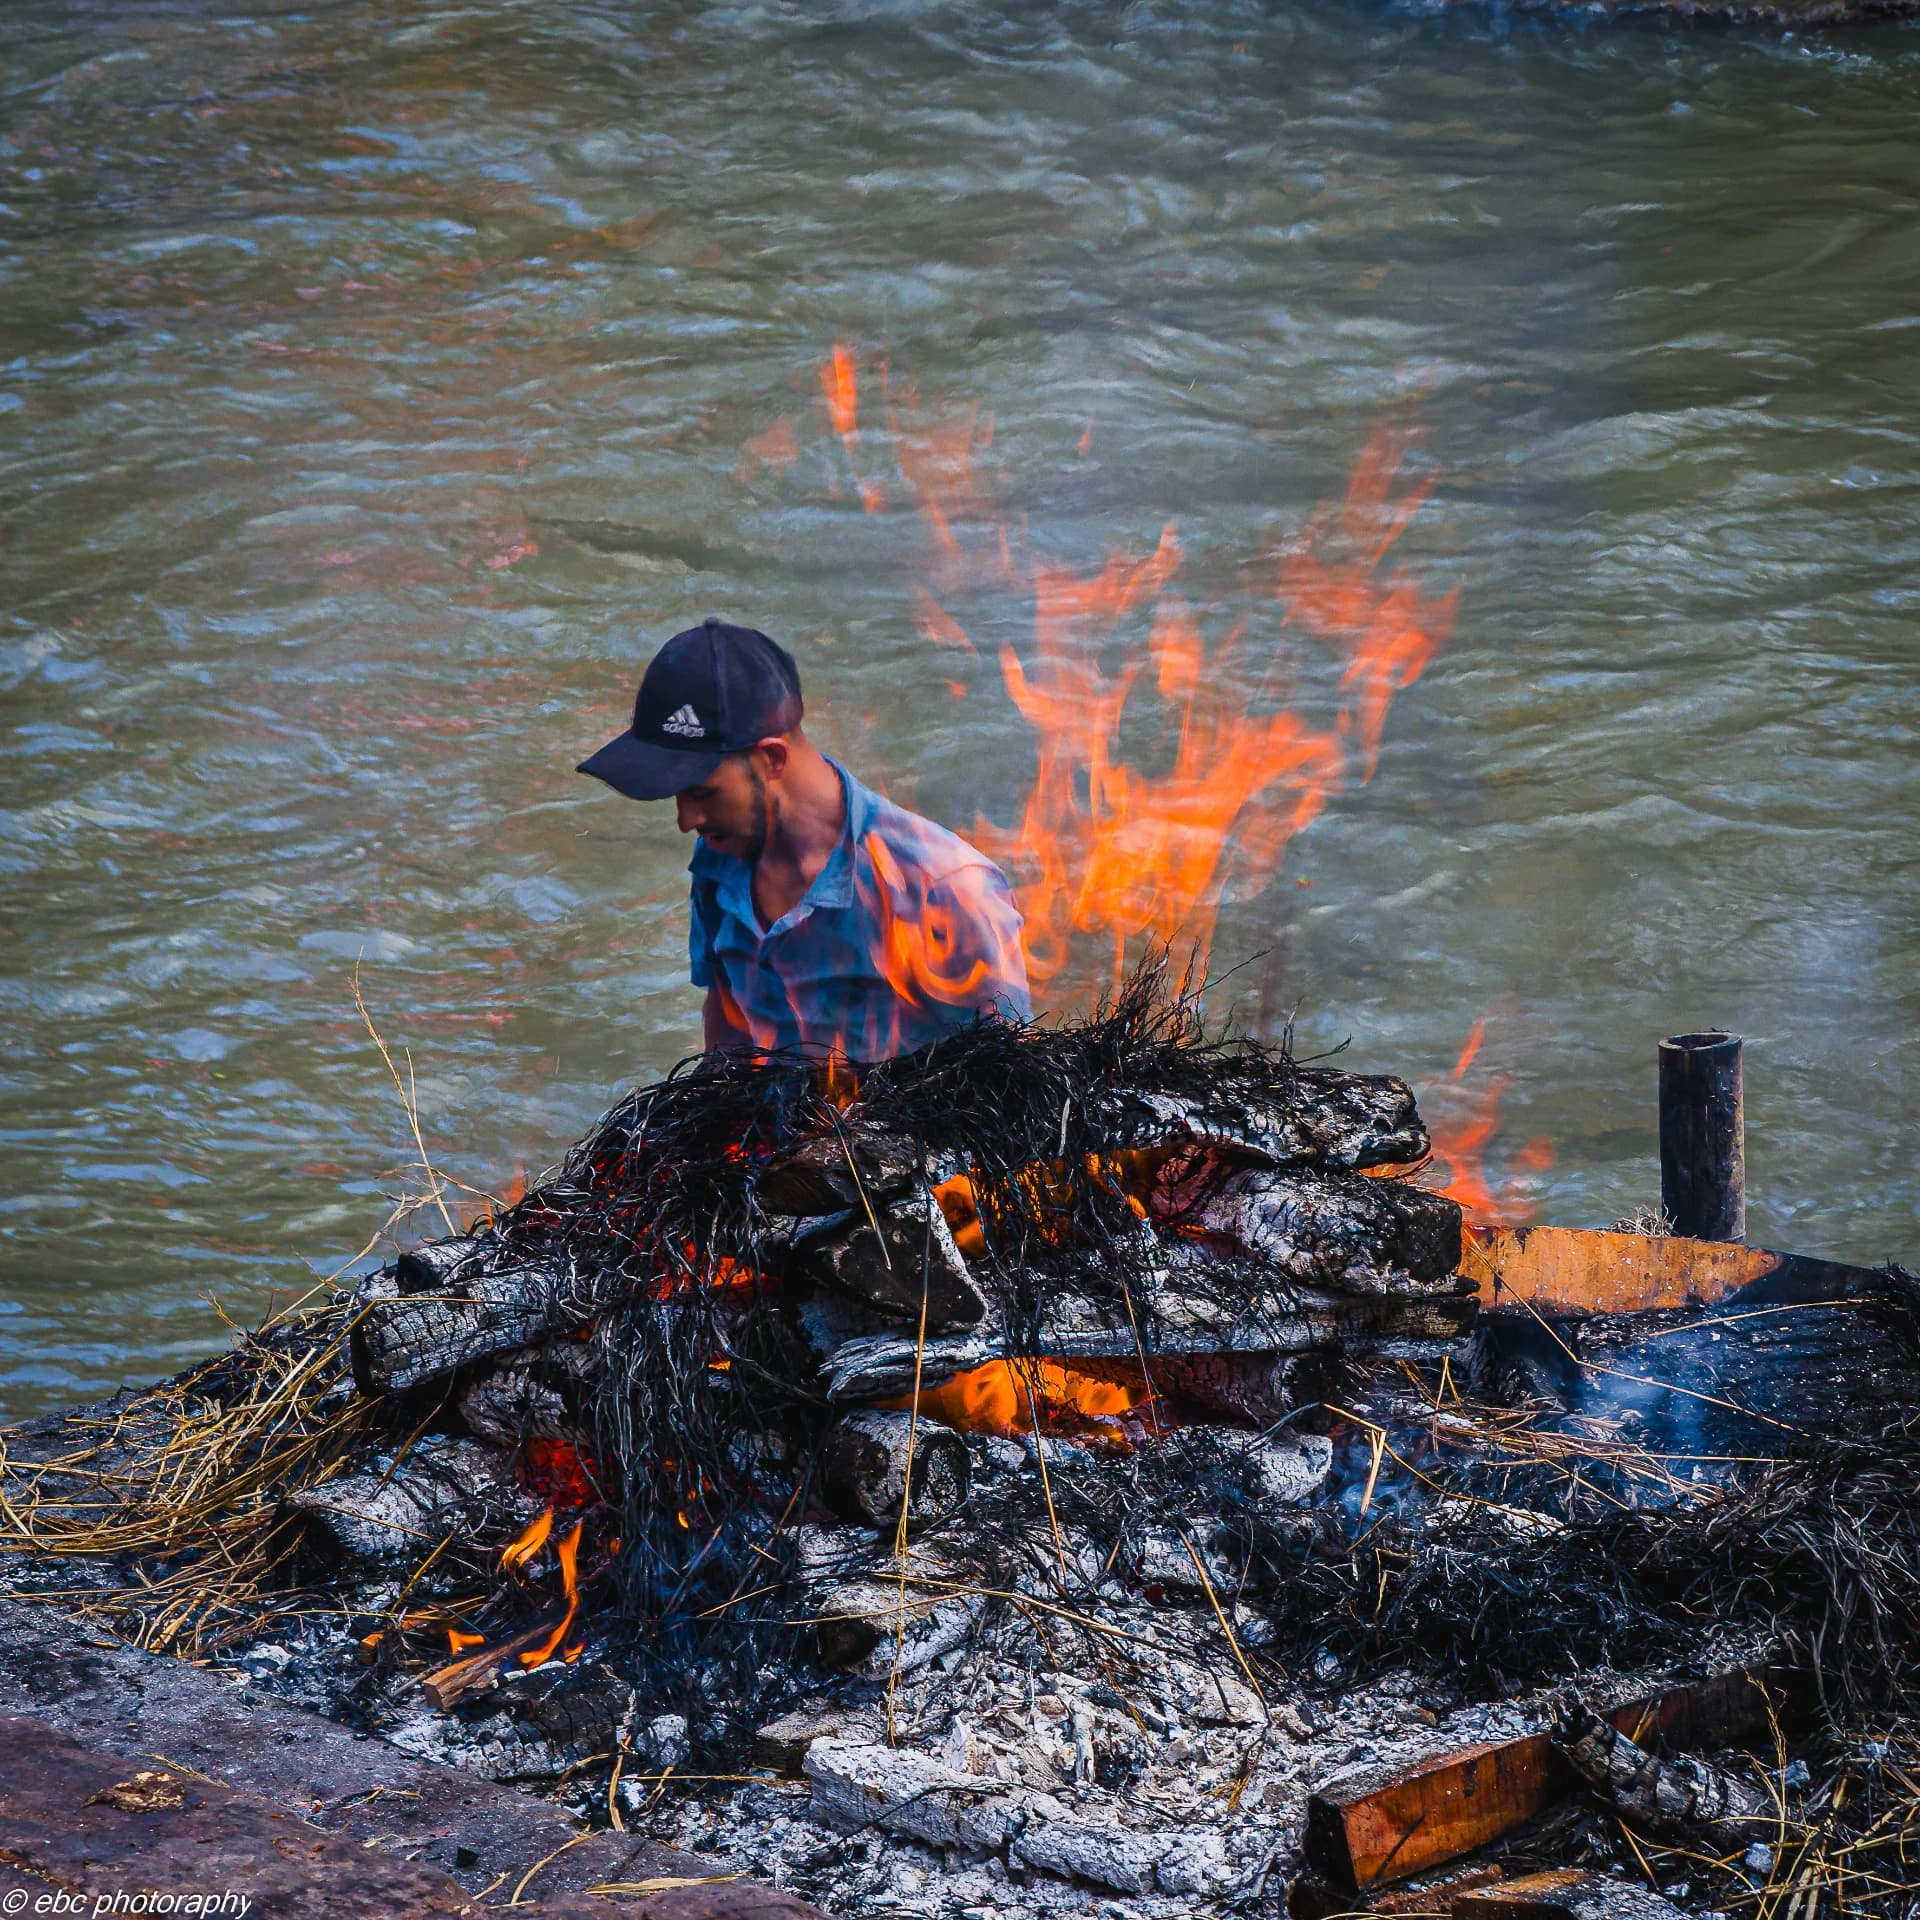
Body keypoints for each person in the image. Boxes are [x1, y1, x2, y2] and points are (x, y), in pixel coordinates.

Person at [578, 618, 1031, 1061]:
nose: (685, 820)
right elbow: (728, 1021)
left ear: (771, 758)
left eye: (701, 792)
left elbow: (1019, 1085)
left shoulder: (945, 886)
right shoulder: (719, 859)